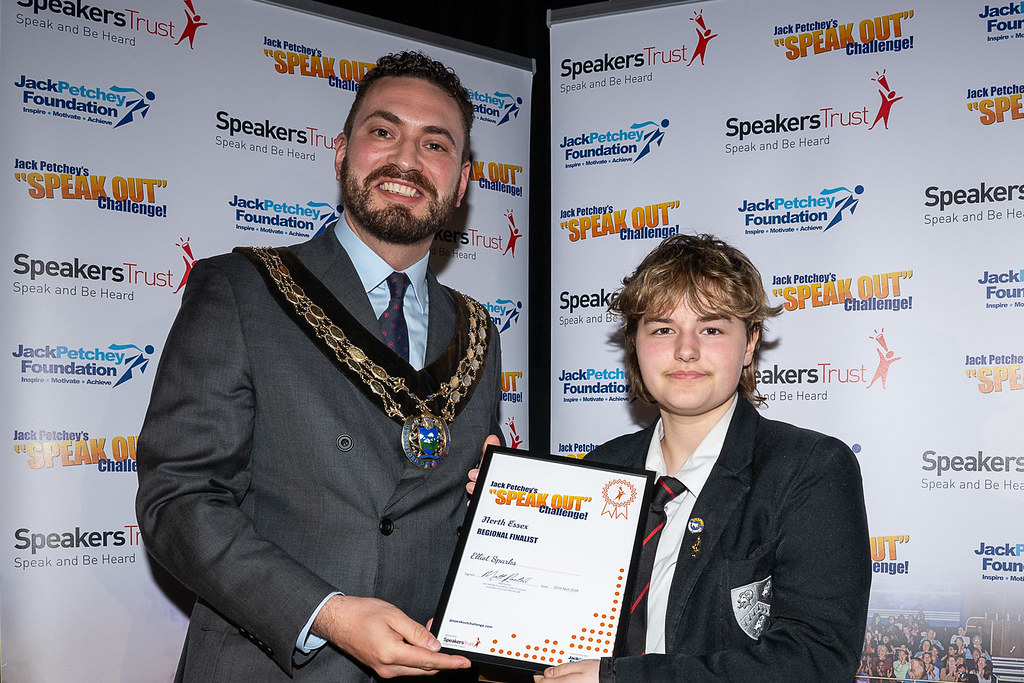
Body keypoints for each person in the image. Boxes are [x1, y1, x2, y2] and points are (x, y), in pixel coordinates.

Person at [135, 51, 503, 681]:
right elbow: (180, 500)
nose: (408, 160)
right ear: (340, 152)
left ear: (462, 180)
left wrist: (492, 505)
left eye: (435, 144)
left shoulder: (477, 330)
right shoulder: (242, 289)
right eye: (383, 131)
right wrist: (325, 614)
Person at [538, 233, 871, 681]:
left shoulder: (810, 469)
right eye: (663, 329)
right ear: (634, 343)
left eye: (711, 329)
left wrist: (626, 680)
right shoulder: (599, 469)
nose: (686, 350)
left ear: (749, 343)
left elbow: (815, 660)